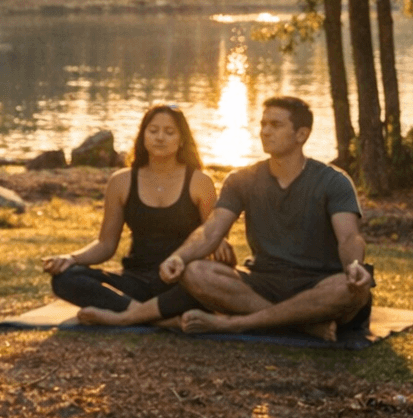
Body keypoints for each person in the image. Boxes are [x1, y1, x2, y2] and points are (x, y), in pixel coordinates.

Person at [159, 96, 375, 341]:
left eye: (275, 125)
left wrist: (354, 265)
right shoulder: (242, 179)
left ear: (301, 134)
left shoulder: (334, 181)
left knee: (350, 289)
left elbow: (349, 237)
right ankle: (300, 326)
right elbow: (211, 231)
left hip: (317, 284)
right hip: (262, 283)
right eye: (263, 124)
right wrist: (179, 256)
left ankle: (236, 324)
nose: (265, 131)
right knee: (195, 271)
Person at [42, 104, 232, 326]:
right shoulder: (121, 182)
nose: (160, 137)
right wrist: (71, 258)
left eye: (169, 132)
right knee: (67, 278)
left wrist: (220, 244)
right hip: (135, 280)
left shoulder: (200, 182)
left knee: (208, 287)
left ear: (182, 139)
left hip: (180, 281)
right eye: (153, 131)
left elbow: (213, 237)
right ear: (143, 136)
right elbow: (105, 244)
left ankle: (125, 317)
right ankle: (153, 318)